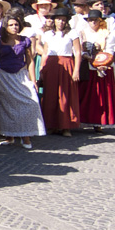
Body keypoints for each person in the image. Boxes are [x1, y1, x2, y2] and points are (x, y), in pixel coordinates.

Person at [0, 11, 46, 148]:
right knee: (7, 106)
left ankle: (26, 137)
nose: (15, 27)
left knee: (30, 102)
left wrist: (33, 80)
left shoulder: (25, 40)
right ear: (5, 26)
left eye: (17, 24)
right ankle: (9, 136)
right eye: (11, 25)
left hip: (20, 74)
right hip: (3, 75)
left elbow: (30, 61)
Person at [35, 8, 82, 136]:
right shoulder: (48, 34)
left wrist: (76, 70)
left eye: (63, 19)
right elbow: (45, 52)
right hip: (51, 63)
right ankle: (51, 124)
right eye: (58, 19)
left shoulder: (72, 33)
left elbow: (77, 52)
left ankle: (66, 125)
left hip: (66, 63)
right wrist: (42, 69)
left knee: (65, 95)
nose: (60, 22)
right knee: (50, 94)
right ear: (54, 20)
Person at [77, 10, 115, 130]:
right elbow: (80, 49)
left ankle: (99, 122)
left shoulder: (107, 33)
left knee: (102, 96)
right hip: (88, 67)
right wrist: (89, 58)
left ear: (100, 21)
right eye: (91, 20)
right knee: (87, 96)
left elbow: (110, 50)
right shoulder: (82, 33)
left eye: (96, 20)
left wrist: (104, 61)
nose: (93, 22)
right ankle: (83, 119)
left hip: (103, 67)